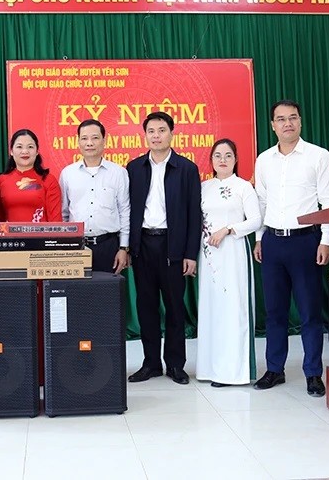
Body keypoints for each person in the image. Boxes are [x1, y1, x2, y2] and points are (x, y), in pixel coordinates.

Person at [252, 99, 329, 397]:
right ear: (272, 125)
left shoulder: (318, 156)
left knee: (309, 313)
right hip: (273, 242)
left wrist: (326, 241)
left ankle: (313, 374)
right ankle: (274, 369)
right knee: (275, 312)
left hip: (306, 242)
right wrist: (260, 238)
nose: (287, 123)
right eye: (280, 119)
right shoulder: (263, 160)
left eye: (292, 118)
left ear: (300, 122)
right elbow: (261, 202)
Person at [126, 111, 201, 385]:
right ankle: (151, 364)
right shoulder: (133, 168)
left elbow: (195, 215)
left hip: (174, 246)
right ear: (144, 135)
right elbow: (128, 211)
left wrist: (190, 254)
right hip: (143, 245)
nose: (156, 135)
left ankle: (176, 365)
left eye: (161, 130)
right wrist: (129, 247)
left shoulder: (187, 168)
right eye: (151, 131)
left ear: (172, 132)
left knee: (174, 308)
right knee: (146, 307)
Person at [197, 139, 262, 387]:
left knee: (234, 309)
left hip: (233, 251)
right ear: (211, 160)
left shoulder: (244, 187)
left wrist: (228, 229)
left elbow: (256, 220)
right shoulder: (204, 187)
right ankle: (209, 368)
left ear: (236, 159)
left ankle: (234, 372)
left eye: (228, 155)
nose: (222, 159)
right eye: (217, 155)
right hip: (209, 256)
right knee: (212, 310)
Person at [59, 119, 130, 274]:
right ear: (78, 142)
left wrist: (123, 248)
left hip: (109, 246)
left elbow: (125, 212)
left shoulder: (118, 173)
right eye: (84, 138)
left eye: (95, 138)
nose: (89, 143)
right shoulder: (67, 174)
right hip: (76, 246)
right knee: (77, 296)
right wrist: (66, 245)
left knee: (108, 295)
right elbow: (63, 213)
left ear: (104, 141)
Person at [0, 129, 62, 223]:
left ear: (37, 151)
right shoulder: (0, 181)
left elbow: (55, 221)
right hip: (10, 237)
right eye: (19, 147)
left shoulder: (48, 180)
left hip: (42, 237)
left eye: (30, 147)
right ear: (11, 151)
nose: (25, 151)